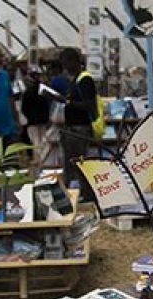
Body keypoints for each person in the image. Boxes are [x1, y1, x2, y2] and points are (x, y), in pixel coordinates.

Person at [58, 47, 97, 202]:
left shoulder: (85, 79)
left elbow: (89, 105)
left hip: (80, 129)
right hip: (71, 129)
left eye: (65, 63)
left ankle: (88, 195)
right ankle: (68, 194)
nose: (64, 68)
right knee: (71, 164)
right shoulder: (75, 79)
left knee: (81, 163)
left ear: (73, 61)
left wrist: (68, 102)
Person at [20, 65, 50, 163]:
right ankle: (43, 158)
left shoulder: (27, 91)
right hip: (43, 119)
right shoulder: (44, 90)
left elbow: (24, 108)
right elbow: (48, 104)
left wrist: (29, 116)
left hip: (32, 120)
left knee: (35, 140)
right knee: (43, 140)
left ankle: (37, 159)